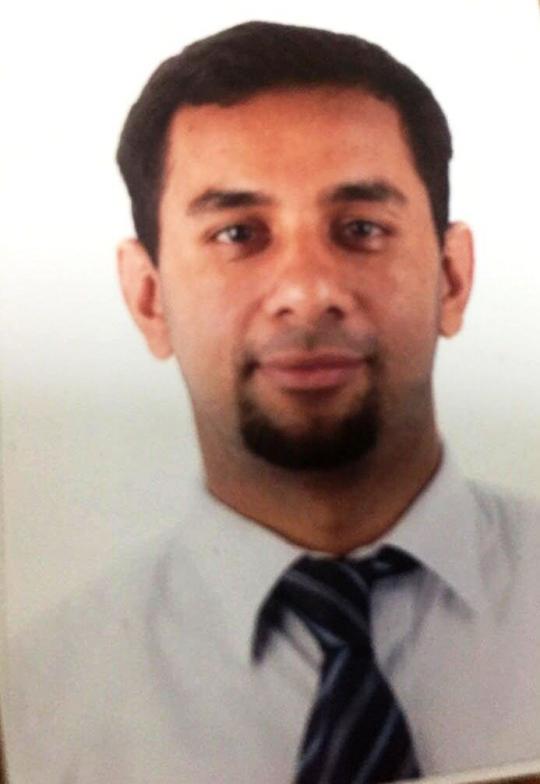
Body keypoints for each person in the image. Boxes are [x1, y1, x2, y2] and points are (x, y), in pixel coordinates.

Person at [4, 20, 540, 784]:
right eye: (238, 234)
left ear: (452, 279)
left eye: (361, 228)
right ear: (149, 298)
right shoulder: (34, 709)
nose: (308, 291)